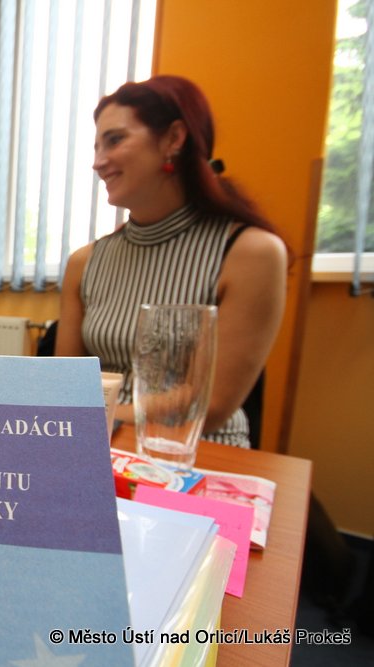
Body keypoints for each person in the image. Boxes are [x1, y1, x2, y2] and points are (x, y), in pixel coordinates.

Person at [56, 75, 287, 447]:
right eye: (96, 146)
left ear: (174, 139)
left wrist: (93, 416)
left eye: (114, 140)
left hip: (197, 452)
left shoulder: (251, 253)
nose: (98, 162)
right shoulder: (84, 262)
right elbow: (64, 387)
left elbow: (210, 405)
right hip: (98, 445)